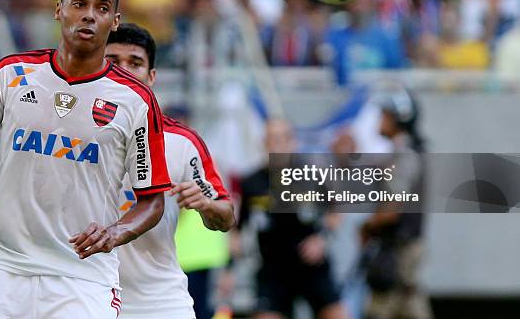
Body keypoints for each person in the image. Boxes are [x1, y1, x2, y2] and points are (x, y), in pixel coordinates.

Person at [0, 0, 171, 318]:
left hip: (82, 279)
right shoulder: (12, 74)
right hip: (4, 270)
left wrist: (116, 232)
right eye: (79, 3)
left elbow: (152, 201)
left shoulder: (135, 100)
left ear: (115, 20)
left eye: (102, 8)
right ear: (58, 9)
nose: (89, 15)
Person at [105, 23, 235, 319]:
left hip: (157, 301)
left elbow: (226, 217)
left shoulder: (181, 143)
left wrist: (206, 204)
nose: (124, 71)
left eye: (135, 63)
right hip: (85, 293)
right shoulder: (69, 131)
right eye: (112, 62)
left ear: (151, 77)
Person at [239, 119, 348, 319]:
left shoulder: (312, 176)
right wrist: (229, 268)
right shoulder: (252, 183)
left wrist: (322, 238)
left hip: (311, 267)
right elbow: (237, 229)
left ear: (293, 142)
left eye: (281, 139)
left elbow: (336, 209)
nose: (276, 145)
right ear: (264, 143)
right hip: (273, 269)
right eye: (271, 139)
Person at [362, 86, 433, 319]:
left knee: (384, 306)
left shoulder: (403, 154)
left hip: (399, 246)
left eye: (384, 114)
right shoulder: (407, 151)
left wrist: (369, 226)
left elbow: (393, 208)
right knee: (406, 301)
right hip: (403, 243)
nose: (379, 120)